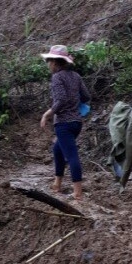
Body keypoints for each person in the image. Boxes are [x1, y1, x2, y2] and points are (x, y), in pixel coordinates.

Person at [39, 45, 91, 201]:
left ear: (55, 62)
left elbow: (60, 100)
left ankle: (78, 192)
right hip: (76, 123)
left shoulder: (57, 77)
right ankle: (57, 183)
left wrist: (47, 114)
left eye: (49, 61)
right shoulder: (75, 76)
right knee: (58, 149)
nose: (49, 65)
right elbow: (86, 96)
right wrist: (75, 102)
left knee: (72, 155)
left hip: (63, 123)